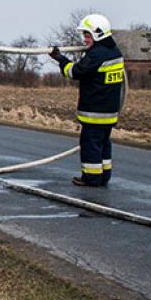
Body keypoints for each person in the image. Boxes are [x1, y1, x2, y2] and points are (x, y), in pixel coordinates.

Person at [49, 13, 124, 187]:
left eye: (87, 35)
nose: (85, 39)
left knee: (91, 145)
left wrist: (60, 59)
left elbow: (74, 72)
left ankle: (91, 178)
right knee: (104, 144)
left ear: (97, 33)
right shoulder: (114, 51)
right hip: (110, 112)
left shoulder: (97, 55)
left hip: (95, 112)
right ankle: (104, 175)